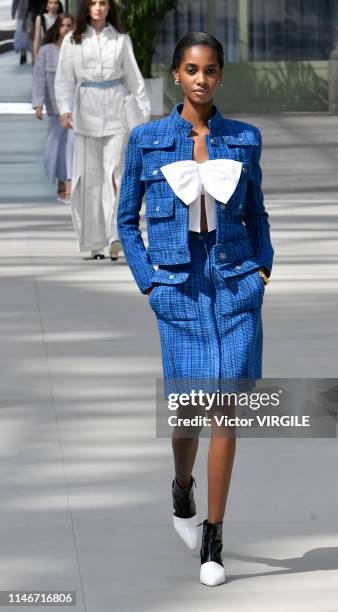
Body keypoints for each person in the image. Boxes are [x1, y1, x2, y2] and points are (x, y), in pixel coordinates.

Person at [117, 32, 274, 586]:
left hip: (234, 285)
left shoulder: (245, 140)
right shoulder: (147, 140)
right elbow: (125, 223)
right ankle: (182, 487)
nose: (201, 78)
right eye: (191, 69)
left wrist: (262, 270)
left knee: (225, 405)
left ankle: (214, 533)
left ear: (220, 76)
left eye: (210, 70)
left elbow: (257, 215)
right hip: (178, 289)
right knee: (189, 407)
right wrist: (149, 285)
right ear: (176, 76)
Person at [54, 0, 150, 261]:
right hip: (85, 115)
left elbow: (135, 79)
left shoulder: (120, 40)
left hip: (117, 113)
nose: (98, 7)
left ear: (109, 8)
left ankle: (115, 235)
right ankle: (95, 242)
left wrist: (143, 115)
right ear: (86, 7)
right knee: (90, 180)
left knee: (116, 176)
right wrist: (64, 109)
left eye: (103, 3)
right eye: (93, 3)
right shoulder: (73, 41)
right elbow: (63, 79)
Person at [32, 13, 74, 202]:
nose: (67, 29)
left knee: (72, 146)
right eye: (64, 25)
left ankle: (70, 183)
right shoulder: (46, 51)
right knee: (57, 146)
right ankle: (61, 182)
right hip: (55, 108)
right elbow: (39, 78)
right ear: (58, 27)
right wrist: (38, 104)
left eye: (70, 25)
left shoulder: (78, 49)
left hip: (76, 107)